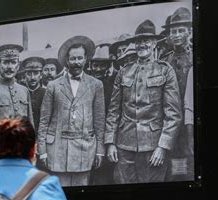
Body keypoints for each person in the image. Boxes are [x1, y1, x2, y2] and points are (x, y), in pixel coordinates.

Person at [105, 19, 182, 184]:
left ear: (154, 43)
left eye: (146, 40)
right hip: (124, 146)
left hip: (153, 147)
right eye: (138, 41)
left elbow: (173, 114)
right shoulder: (124, 72)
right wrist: (110, 142)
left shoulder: (165, 70)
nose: (141, 45)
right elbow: (113, 111)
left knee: (151, 198)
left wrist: (163, 147)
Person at [38, 35, 105, 186]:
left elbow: (99, 120)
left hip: (85, 149)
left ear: (86, 59)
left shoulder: (96, 85)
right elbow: (44, 121)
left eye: (79, 58)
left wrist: (100, 150)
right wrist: (42, 150)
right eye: (73, 59)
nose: (76, 62)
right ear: (67, 61)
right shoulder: (53, 86)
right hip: (57, 150)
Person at [161, 7, 194, 181]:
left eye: (181, 30)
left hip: (190, 121)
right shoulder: (165, 61)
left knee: (190, 163)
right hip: (170, 120)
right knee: (172, 167)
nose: (177, 35)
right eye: (173, 31)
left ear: (189, 32)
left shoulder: (195, 57)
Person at [89, 44, 115, 185]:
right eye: (95, 65)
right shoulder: (87, 83)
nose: (98, 69)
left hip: (107, 135)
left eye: (102, 65)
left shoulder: (112, 84)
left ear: (107, 66)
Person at [22, 55, 46, 133]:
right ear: (25, 75)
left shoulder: (47, 93)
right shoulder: (20, 93)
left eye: (35, 73)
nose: (32, 77)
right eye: (29, 73)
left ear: (41, 75)